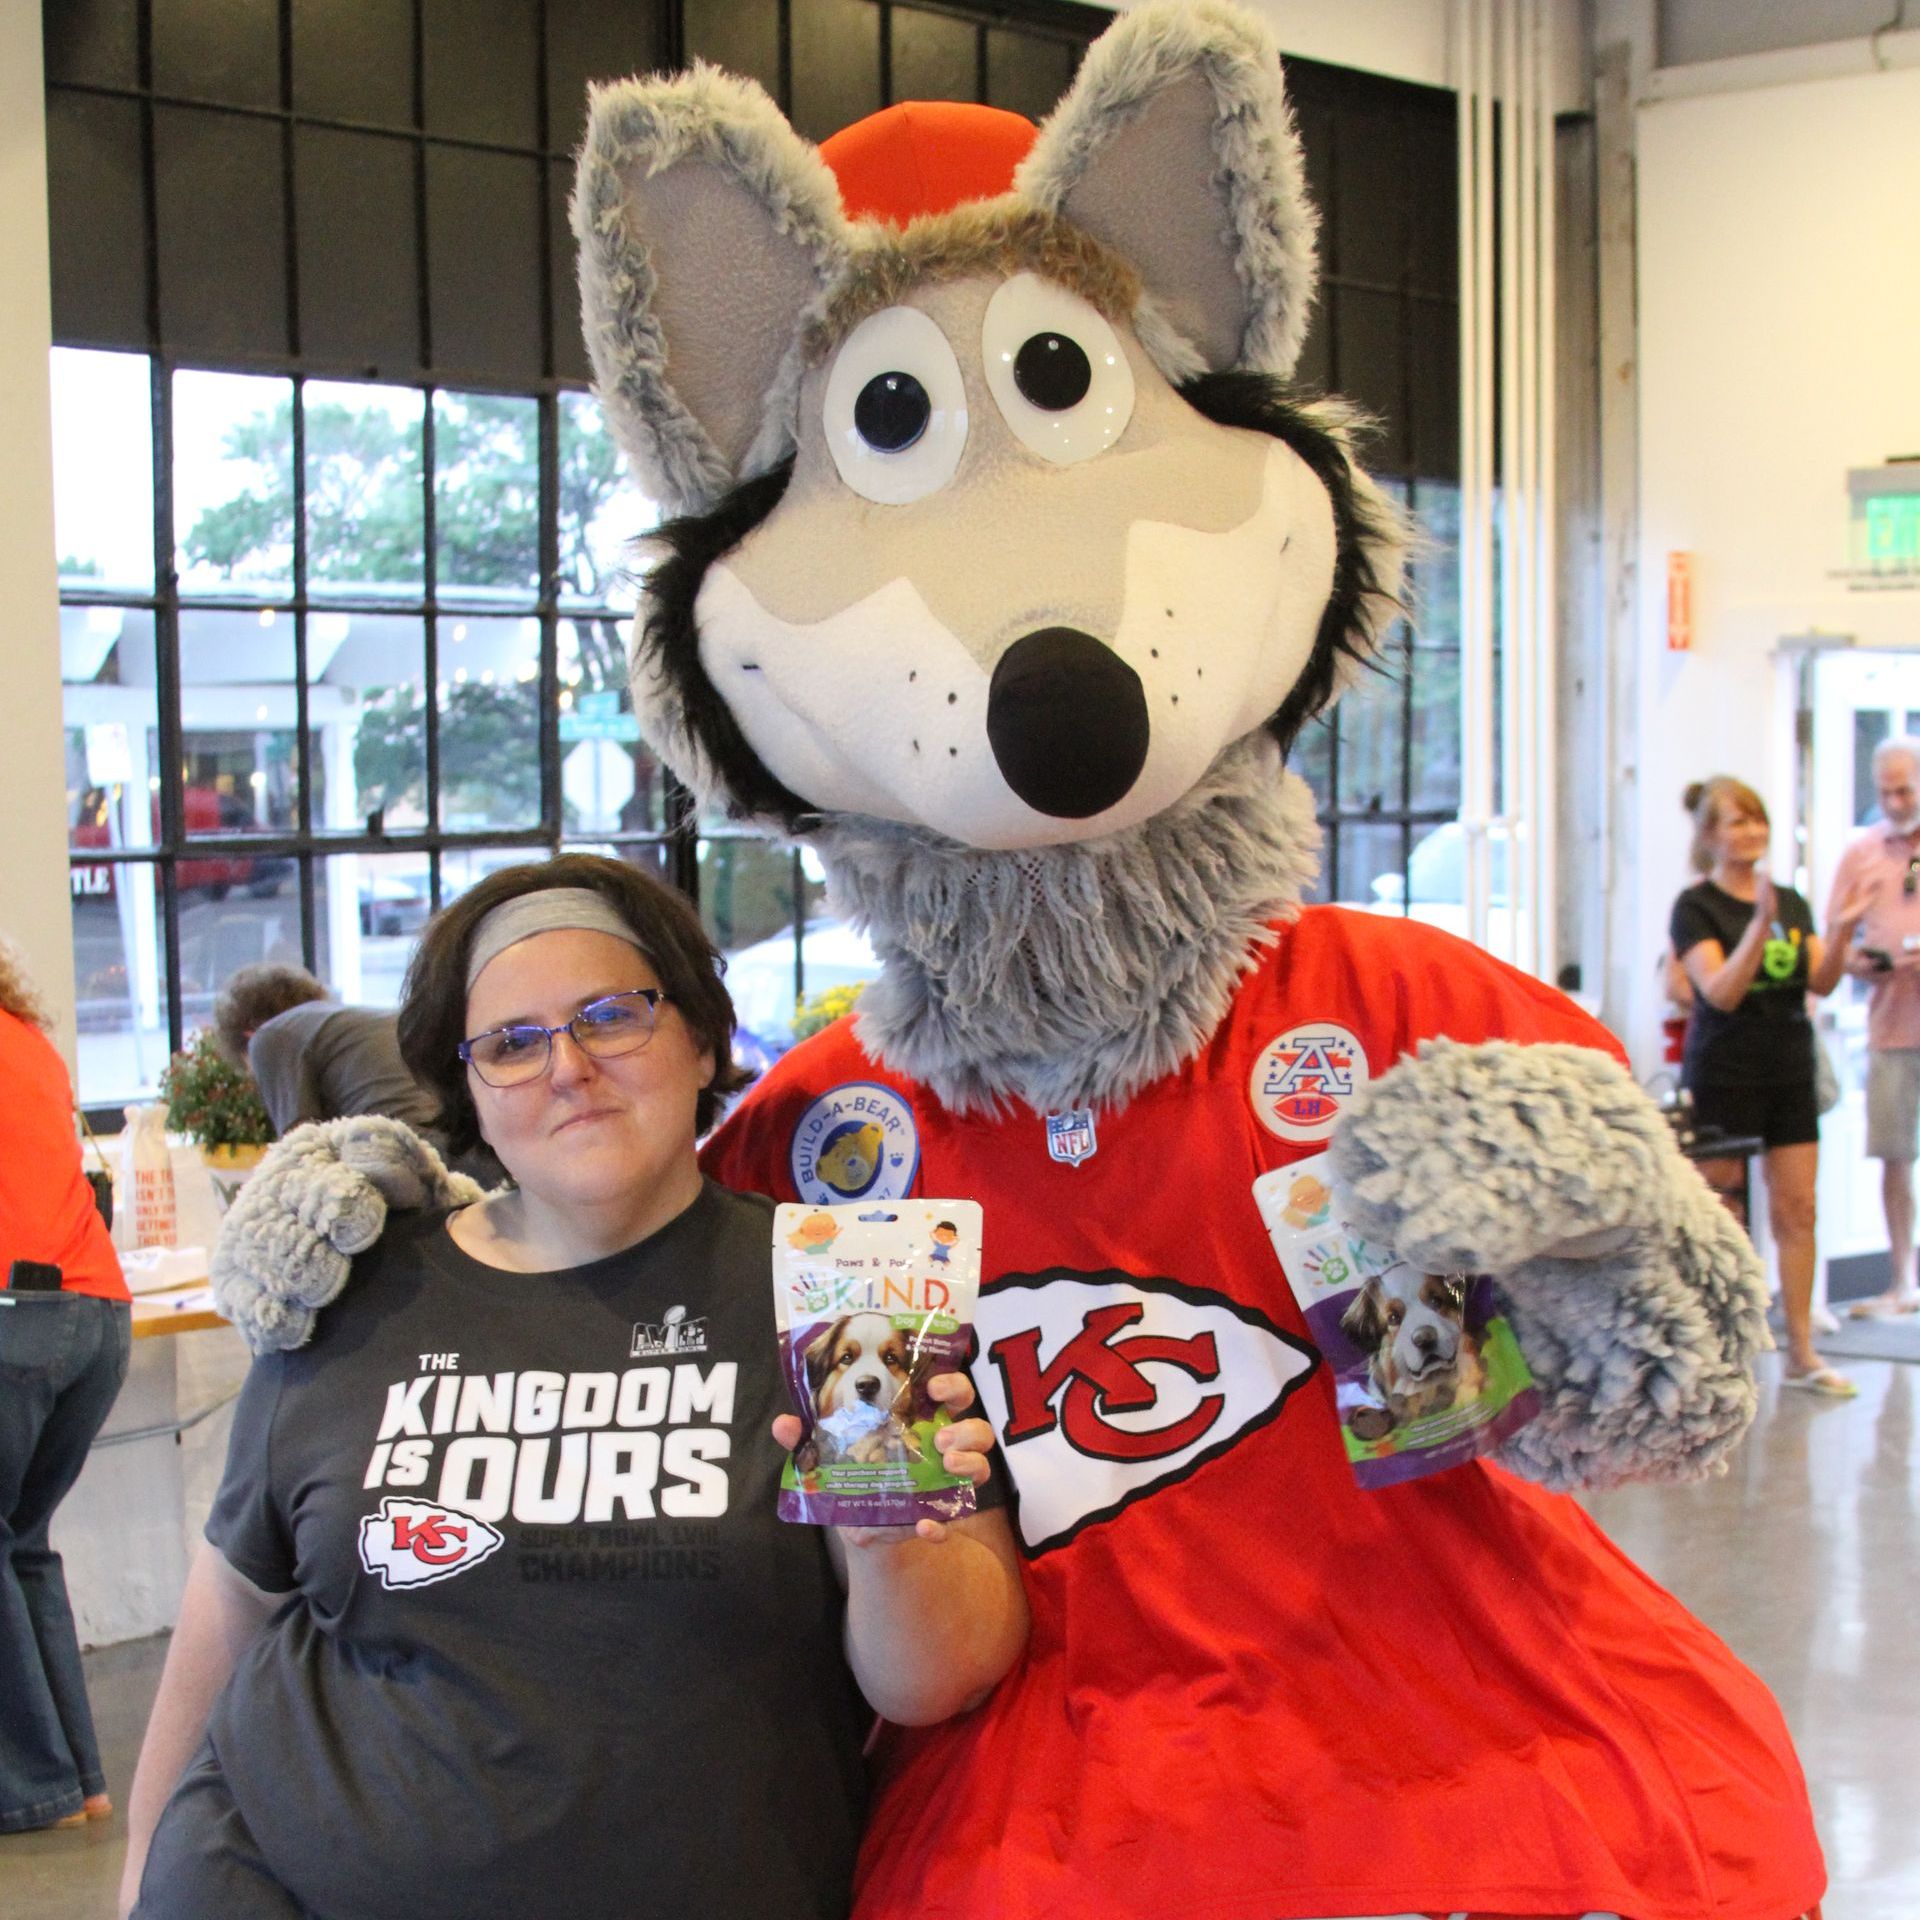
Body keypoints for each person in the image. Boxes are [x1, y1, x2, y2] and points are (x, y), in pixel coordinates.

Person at [120, 856, 1027, 1920]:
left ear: (698, 1039)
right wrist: (141, 1884)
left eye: (611, 1015)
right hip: (273, 1879)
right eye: (511, 1042)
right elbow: (228, 1616)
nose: (567, 1066)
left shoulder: (837, 1293)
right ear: (467, 1088)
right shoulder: (357, 1298)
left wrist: (891, 1551)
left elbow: (938, 1679)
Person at [1670, 776, 1870, 1396]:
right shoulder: (1697, 906)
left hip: (1787, 1062)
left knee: (1797, 1208)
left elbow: (1823, 982)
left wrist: (1839, 933)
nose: (1751, 833)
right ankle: (1715, 1353)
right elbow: (1720, 991)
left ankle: (1802, 1350)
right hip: (1726, 1067)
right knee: (1723, 1211)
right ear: (1710, 835)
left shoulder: (1790, 901)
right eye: (1736, 822)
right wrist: (1758, 925)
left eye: (1757, 821)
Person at [0, 938, 132, 1834]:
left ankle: (30, 1791)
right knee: (23, 1545)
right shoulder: (27, 1039)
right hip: (96, 1315)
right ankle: (81, 1782)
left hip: (13, 1316)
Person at [214, 963, 501, 1182]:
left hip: (407, 1162)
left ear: (246, 1037)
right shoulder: (353, 1022)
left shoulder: (270, 1035)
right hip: (481, 1156)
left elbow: (300, 1160)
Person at [1827, 734, 1920, 1318]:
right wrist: (1863, 962)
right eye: (1885, 792)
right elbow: (1833, 944)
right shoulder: (1861, 854)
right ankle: (1901, 1280)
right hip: (1891, 1026)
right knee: (1894, 1157)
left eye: (1904, 789)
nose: (1894, 801)